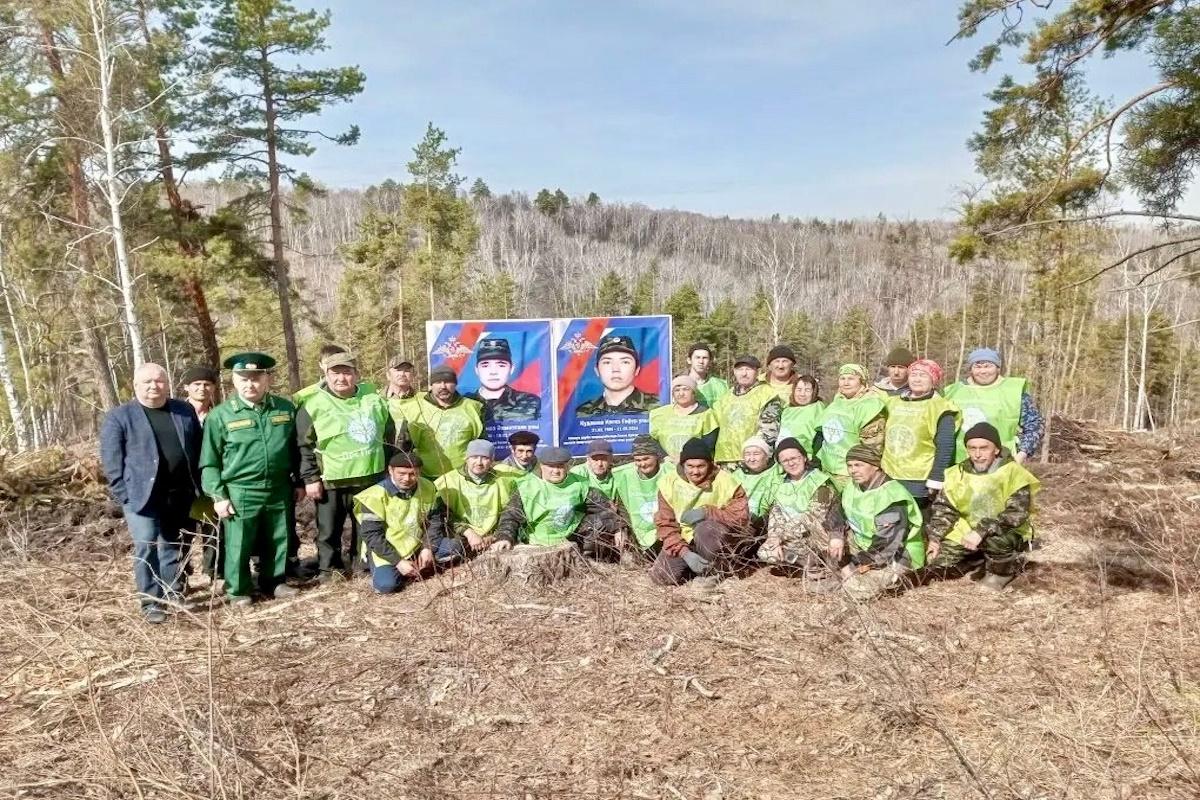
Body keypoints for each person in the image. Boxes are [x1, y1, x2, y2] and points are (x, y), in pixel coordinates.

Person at [100, 363, 203, 624]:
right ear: (136, 385)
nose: (154, 386)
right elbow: (112, 463)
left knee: (173, 544)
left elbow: (197, 446)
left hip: (178, 492)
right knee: (147, 545)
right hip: (140, 495)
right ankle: (151, 602)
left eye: (159, 381)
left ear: (167, 384)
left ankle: (173, 593)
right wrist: (124, 495)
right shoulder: (120, 417)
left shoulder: (183, 410)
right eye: (147, 382)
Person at [199, 353, 301, 607]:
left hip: (279, 486)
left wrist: (299, 481)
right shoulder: (220, 415)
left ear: (267, 379)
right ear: (234, 381)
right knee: (239, 543)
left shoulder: (285, 409)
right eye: (243, 379)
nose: (250, 384)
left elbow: (296, 449)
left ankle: (274, 581)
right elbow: (209, 462)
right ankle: (238, 589)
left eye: (256, 378)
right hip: (240, 489)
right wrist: (218, 496)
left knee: (278, 537)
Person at [296, 350, 395, 581]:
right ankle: (329, 570)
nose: (341, 378)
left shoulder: (373, 399)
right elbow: (304, 445)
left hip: (370, 477)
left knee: (366, 525)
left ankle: (362, 565)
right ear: (327, 375)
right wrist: (310, 478)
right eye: (336, 373)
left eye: (347, 373)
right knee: (329, 529)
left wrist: (388, 468)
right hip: (331, 479)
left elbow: (388, 434)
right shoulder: (313, 404)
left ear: (356, 375)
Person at [925, 422, 1041, 590]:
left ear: (996, 449)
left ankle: (1002, 572)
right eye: (972, 448)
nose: (977, 454)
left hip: (1004, 530)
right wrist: (935, 538)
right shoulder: (957, 473)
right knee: (939, 564)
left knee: (996, 540)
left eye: (984, 448)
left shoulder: (1013, 473)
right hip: (968, 531)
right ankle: (977, 559)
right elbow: (945, 509)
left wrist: (981, 531)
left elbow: (1015, 515)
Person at [353, 450, 462, 594]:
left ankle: (417, 566)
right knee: (387, 586)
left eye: (413, 474)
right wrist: (398, 561)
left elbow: (435, 522)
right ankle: (404, 569)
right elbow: (372, 536)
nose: (407, 478)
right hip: (388, 550)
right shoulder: (374, 496)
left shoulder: (428, 487)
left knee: (456, 547)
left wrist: (428, 548)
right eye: (402, 473)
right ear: (390, 470)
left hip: (417, 544)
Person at [490, 446, 626, 559]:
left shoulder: (579, 483)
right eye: (551, 466)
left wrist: (618, 529)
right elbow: (511, 515)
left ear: (567, 466)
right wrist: (504, 537)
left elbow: (603, 507)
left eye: (560, 466)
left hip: (570, 535)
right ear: (541, 466)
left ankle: (586, 557)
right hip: (536, 540)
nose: (555, 471)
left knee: (600, 521)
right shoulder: (527, 486)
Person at [649, 436, 750, 586]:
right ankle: (693, 566)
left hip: (714, 537)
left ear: (709, 464)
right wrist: (684, 553)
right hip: (683, 538)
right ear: (683, 464)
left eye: (701, 466)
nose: (695, 471)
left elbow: (741, 517)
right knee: (661, 577)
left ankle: (715, 571)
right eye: (690, 466)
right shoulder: (668, 483)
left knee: (706, 529)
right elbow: (665, 524)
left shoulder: (726, 482)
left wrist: (707, 512)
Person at [830, 444, 925, 601]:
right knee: (822, 538)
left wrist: (854, 565)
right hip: (863, 544)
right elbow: (837, 512)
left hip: (895, 553)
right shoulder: (852, 485)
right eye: (850, 465)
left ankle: (900, 578)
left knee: (855, 590)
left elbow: (886, 545)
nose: (853, 470)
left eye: (859, 465)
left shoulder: (891, 496)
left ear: (875, 466)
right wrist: (836, 536)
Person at [757, 438, 845, 591]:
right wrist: (773, 537)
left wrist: (781, 538)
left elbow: (812, 517)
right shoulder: (781, 484)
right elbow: (776, 514)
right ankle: (805, 563)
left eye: (794, 458)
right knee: (766, 552)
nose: (791, 463)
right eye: (785, 461)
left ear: (804, 457)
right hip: (791, 537)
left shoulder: (821, 483)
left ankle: (822, 565)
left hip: (816, 536)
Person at [944, 348, 1044, 464]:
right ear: (971, 369)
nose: (983, 371)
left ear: (997, 368)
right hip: (959, 462)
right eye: (978, 367)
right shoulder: (953, 392)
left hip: (1002, 462)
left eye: (988, 366)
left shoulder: (1013, 391)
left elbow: (1034, 425)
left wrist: (1022, 454)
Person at [881, 359, 959, 507]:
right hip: (889, 474)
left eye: (923, 376)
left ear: (933, 380)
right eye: (914, 375)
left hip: (918, 479)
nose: (917, 379)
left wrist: (937, 477)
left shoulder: (940, 407)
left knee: (916, 516)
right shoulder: (892, 402)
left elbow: (945, 446)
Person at [395, 366, 485, 479]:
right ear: (431, 385)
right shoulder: (413, 408)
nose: (443, 386)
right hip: (424, 476)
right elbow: (404, 448)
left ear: (455, 384)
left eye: (448, 382)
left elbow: (481, 444)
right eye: (438, 382)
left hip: (463, 477)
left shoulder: (473, 408)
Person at [177, 365, 222, 586]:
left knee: (213, 531)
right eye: (196, 384)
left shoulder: (219, 414)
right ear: (187, 387)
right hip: (182, 484)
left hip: (210, 483)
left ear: (213, 388)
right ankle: (180, 577)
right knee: (182, 534)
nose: (202, 388)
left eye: (207, 384)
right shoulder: (175, 414)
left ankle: (215, 574)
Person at [434, 439, 514, 555]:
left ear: (492, 460)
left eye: (485, 458)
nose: (479, 462)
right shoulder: (447, 481)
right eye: (474, 457)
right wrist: (468, 532)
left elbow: (510, 513)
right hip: (460, 534)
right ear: (466, 458)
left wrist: (496, 535)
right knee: (448, 550)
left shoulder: (504, 481)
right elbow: (443, 515)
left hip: (493, 536)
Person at [815, 364, 886, 487]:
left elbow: (872, 448)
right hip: (827, 470)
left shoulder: (870, 405)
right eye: (842, 378)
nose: (846, 383)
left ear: (861, 381)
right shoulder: (836, 402)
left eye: (851, 379)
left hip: (852, 474)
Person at [712, 354, 782, 465]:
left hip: (752, 461)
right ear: (734, 372)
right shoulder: (726, 397)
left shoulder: (767, 394)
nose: (744, 373)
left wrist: (758, 457)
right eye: (740, 369)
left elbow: (769, 432)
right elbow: (715, 425)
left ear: (757, 372)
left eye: (748, 369)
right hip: (724, 459)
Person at [575, 334, 661, 416]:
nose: (616, 369)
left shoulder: (659, 407)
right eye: (607, 362)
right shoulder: (583, 412)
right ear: (597, 370)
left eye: (625, 362)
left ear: (637, 370)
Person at [611, 435, 666, 558]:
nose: (642, 464)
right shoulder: (626, 475)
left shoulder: (668, 472)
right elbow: (622, 507)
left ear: (656, 456)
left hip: (665, 530)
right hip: (637, 532)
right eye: (638, 460)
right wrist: (621, 529)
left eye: (646, 459)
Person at [464, 337, 541, 421]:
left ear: (511, 369)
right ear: (477, 370)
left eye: (501, 365)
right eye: (485, 365)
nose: (493, 372)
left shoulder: (531, 403)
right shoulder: (462, 405)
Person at [648, 374, 719, 460]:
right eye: (677, 390)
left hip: (694, 463)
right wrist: (665, 457)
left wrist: (687, 459)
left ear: (693, 392)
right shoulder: (660, 413)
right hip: (666, 463)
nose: (681, 393)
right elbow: (653, 440)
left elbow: (709, 443)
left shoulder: (706, 414)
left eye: (686, 389)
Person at [731, 436, 782, 533]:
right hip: (738, 521)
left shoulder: (777, 472)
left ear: (766, 456)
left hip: (766, 523)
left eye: (756, 454)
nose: (751, 459)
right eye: (747, 454)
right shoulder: (736, 476)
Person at [778, 375, 824, 457]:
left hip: (806, 457)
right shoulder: (787, 410)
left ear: (814, 392)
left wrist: (815, 458)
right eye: (799, 390)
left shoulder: (818, 408)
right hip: (783, 456)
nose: (802, 394)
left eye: (807, 390)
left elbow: (821, 436)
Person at [686, 342, 729, 408]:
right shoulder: (678, 385)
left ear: (710, 361)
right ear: (689, 360)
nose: (701, 361)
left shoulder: (721, 385)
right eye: (697, 357)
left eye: (705, 358)